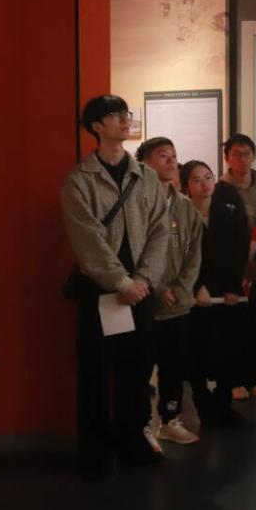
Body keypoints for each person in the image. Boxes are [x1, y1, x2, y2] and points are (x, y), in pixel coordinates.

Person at [60, 95, 170, 477]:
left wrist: (142, 279)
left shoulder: (146, 176)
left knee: (137, 368)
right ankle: (95, 450)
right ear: (96, 126)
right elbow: (86, 239)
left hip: (140, 289)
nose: (125, 120)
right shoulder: (79, 180)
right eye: (115, 115)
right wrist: (120, 281)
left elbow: (160, 230)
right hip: (100, 289)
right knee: (95, 370)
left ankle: (133, 440)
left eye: (126, 114)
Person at [137, 137, 202, 448]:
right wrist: (158, 287)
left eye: (174, 155)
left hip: (178, 302)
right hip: (145, 299)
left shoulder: (185, 206)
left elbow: (194, 252)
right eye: (163, 156)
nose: (172, 161)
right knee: (140, 366)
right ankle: (140, 426)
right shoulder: (138, 203)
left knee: (174, 365)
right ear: (145, 164)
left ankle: (170, 420)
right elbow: (135, 252)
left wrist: (180, 287)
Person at [181, 160, 252, 429]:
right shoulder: (180, 213)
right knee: (197, 349)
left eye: (208, 177)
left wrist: (232, 286)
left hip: (225, 289)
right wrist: (197, 285)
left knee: (228, 348)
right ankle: (201, 403)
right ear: (186, 186)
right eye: (196, 180)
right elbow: (179, 255)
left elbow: (239, 249)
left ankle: (224, 404)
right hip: (193, 292)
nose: (205, 184)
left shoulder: (229, 210)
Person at [221, 133, 256, 402]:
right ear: (227, 158)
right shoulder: (220, 190)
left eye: (247, 154)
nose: (242, 159)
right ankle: (233, 381)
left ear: (253, 157)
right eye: (236, 154)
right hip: (230, 269)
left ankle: (253, 379)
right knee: (232, 327)